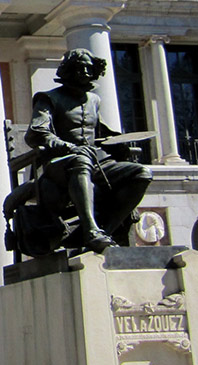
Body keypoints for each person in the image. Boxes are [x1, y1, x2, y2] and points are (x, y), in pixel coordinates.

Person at [25, 48, 152, 252]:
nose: (84, 72)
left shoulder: (94, 100)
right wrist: (67, 146)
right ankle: (91, 231)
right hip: (59, 164)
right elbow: (36, 133)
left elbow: (100, 132)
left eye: (88, 68)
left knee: (142, 173)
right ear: (68, 70)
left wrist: (119, 144)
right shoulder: (48, 98)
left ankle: (106, 231)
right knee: (80, 160)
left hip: (95, 162)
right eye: (79, 68)